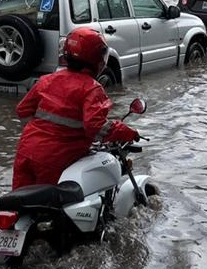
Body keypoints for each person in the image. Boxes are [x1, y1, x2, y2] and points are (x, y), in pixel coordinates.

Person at [11, 27, 139, 189]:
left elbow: (23, 110)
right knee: (52, 209)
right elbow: (97, 126)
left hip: (25, 151)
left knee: (18, 202)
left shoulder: (47, 80)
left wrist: (38, 134)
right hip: (54, 159)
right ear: (97, 59)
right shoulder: (92, 89)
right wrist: (129, 132)